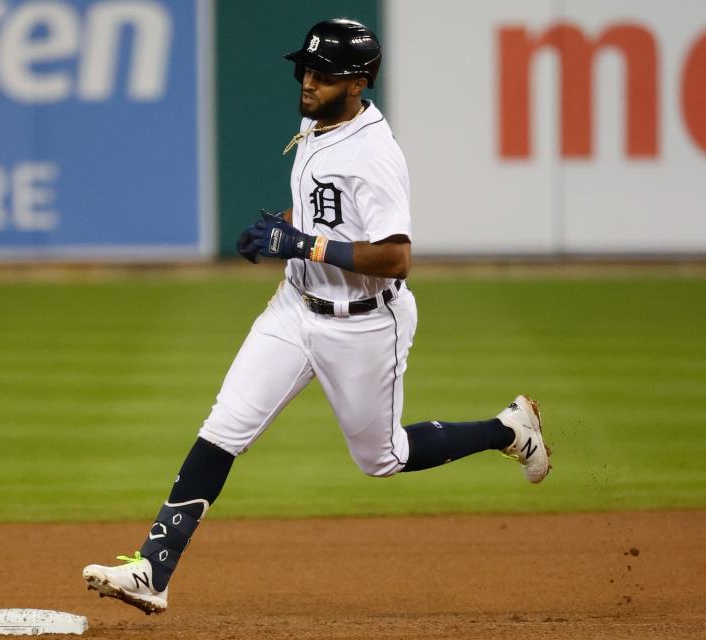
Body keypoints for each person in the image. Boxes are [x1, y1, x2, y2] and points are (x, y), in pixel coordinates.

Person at [82, 18, 551, 615]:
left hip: (362, 325)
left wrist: (301, 245)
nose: (308, 81)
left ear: (358, 83)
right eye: (306, 68)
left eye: (324, 74)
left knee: (381, 458)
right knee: (225, 426)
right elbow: (325, 216)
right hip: (293, 309)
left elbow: (396, 257)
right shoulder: (317, 123)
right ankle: (153, 569)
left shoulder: (375, 154)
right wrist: (279, 230)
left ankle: (508, 430)